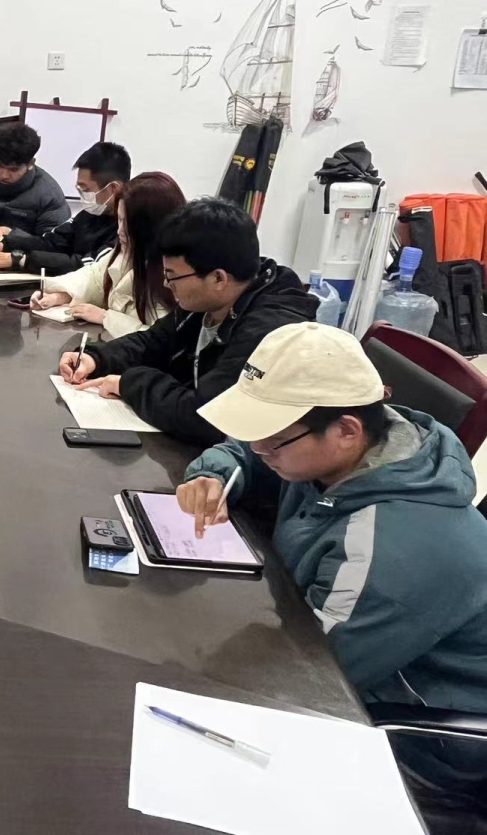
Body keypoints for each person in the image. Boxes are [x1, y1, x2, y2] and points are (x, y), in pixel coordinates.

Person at [176, 322, 487, 797]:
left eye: (271, 440)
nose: (259, 449)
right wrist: (217, 474)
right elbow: (252, 450)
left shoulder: (393, 549)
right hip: (333, 639)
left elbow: (311, 680)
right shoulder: (351, 448)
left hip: (425, 735)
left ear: (345, 430)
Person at [59, 197, 318, 443]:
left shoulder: (269, 329)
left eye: (173, 276)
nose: (166, 284)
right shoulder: (211, 300)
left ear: (218, 278)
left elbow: (207, 416)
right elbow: (153, 341)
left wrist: (130, 383)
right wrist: (96, 358)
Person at [29, 171, 184, 338]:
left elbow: (162, 339)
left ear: (151, 226)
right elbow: (94, 278)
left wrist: (107, 318)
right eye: (119, 220)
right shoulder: (126, 252)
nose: (120, 231)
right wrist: (60, 295)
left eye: (127, 223)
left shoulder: (173, 275)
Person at [0, 141, 129, 274]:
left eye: (86, 189)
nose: (83, 195)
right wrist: (4, 245)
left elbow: (89, 266)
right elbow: (52, 242)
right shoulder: (89, 214)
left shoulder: (130, 225)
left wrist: (21, 260)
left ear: (113, 188)